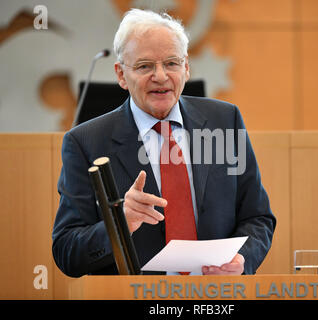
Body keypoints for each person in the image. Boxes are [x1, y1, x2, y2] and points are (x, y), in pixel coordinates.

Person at [52, 8, 276, 277]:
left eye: (171, 63)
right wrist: (119, 224)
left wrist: (241, 260)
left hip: (215, 298)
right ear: (121, 75)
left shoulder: (225, 120)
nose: (160, 76)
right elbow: (66, 251)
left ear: (186, 68)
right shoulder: (84, 143)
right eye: (145, 66)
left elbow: (257, 217)